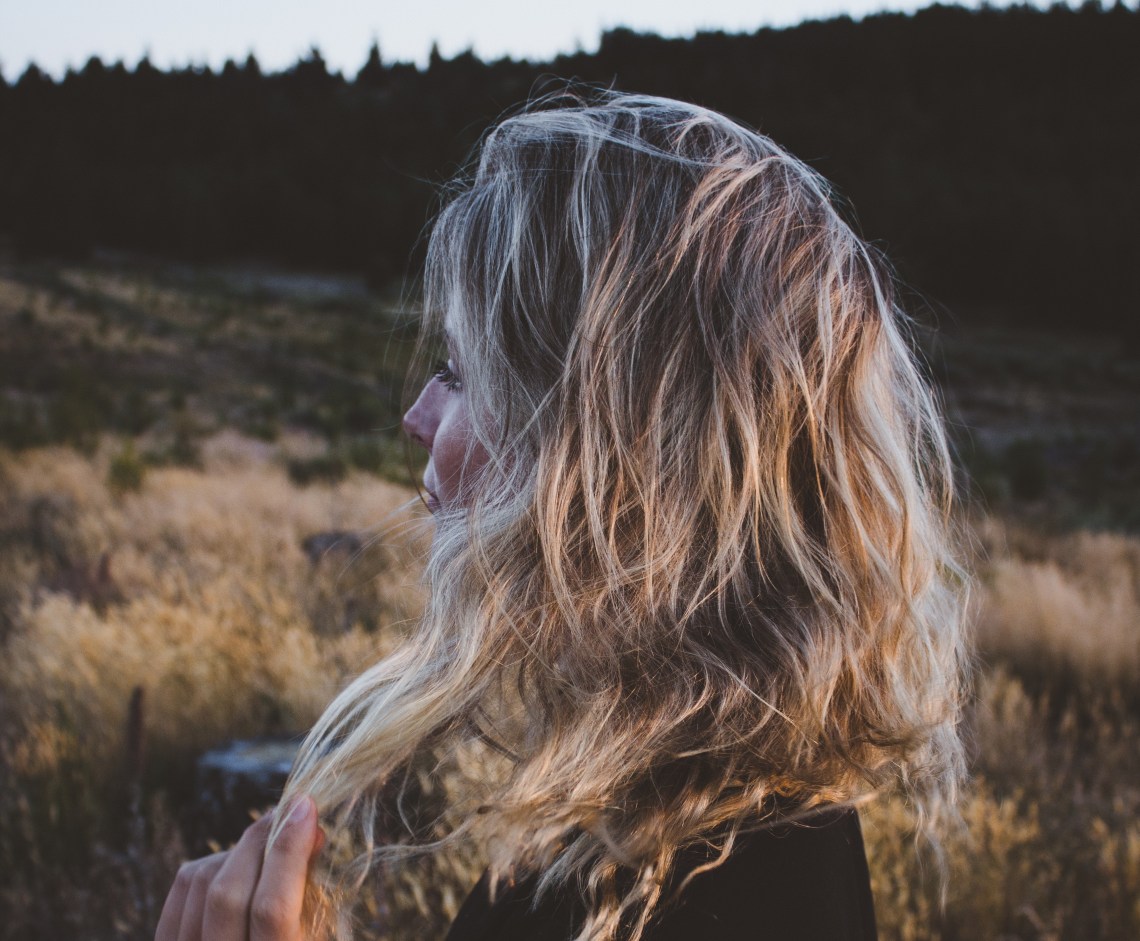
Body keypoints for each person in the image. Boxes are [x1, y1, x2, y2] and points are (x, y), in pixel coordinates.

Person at [156, 88, 970, 941]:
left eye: (467, 374)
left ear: (611, 458)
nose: (418, 416)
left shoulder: (696, 888)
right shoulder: (712, 827)